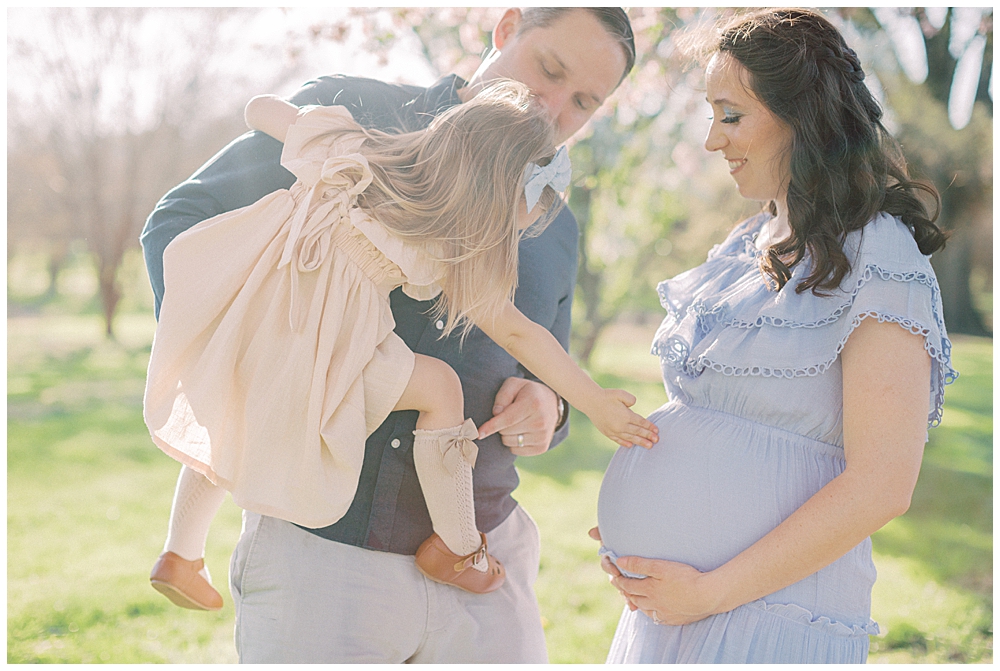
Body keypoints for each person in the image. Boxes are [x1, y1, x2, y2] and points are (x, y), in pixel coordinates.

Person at [139, 7, 637, 663]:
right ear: (507, 28)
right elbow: (178, 225)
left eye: (583, 103)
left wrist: (556, 405)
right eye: (549, 70)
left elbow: (538, 350)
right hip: (324, 560)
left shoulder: (557, 225)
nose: (553, 108)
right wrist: (246, 353)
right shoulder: (354, 113)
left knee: (440, 391)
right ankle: (183, 549)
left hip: (490, 567)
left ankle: (455, 545)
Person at [592, 8, 956, 664]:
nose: (712, 141)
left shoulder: (879, 252)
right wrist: (648, 523)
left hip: (766, 618)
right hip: (672, 613)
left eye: (730, 115)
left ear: (802, 116)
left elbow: (882, 483)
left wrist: (708, 589)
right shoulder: (743, 246)